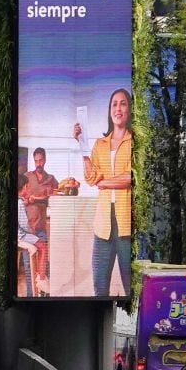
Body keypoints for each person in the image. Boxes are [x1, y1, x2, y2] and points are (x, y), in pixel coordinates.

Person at [78, 88, 136, 296]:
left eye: (123, 103)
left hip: (127, 223)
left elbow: (131, 177)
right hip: (103, 224)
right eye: (114, 104)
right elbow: (92, 177)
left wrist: (104, 183)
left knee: (131, 285)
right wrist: (82, 146)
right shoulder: (100, 144)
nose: (118, 108)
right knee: (99, 285)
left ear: (129, 109)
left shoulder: (134, 142)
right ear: (109, 111)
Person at [17, 147, 59, 296]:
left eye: (40, 160)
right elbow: (20, 197)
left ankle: (45, 296)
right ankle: (30, 296)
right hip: (27, 228)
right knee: (29, 266)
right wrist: (28, 200)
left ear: (45, 160)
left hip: (40, 228)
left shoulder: (51, 180)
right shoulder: (26, 177)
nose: (38, 163)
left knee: (44, 264)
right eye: (36, 161)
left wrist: (40, 198)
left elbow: (56, 197)